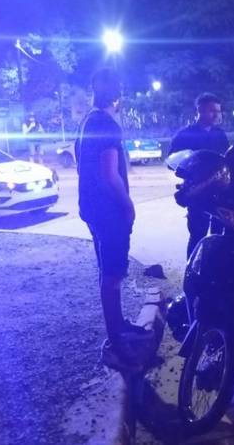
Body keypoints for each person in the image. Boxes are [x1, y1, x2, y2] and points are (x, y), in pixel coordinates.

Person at [75, 69, 151, 370]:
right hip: (109, 212)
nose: (117, 88)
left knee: (106, 270)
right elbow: (109, 174)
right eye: (113, 84)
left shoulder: (87, 121)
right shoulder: (106, 124)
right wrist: (128, 205)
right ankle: (117, 343)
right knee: (113, 275)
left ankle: (118, 326)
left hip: (92, 210)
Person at [170, 93, 230, 258]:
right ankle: (192, 268)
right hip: (197, 193)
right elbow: (173, 161)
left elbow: (227, 159)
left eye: (218, 111)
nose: (216, 115)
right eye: (212, 111)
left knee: (219, 235)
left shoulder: (220, 134)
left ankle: (214, 268)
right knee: (197, 235)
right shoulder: (184, 135)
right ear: (200, 111)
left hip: (219, 193)